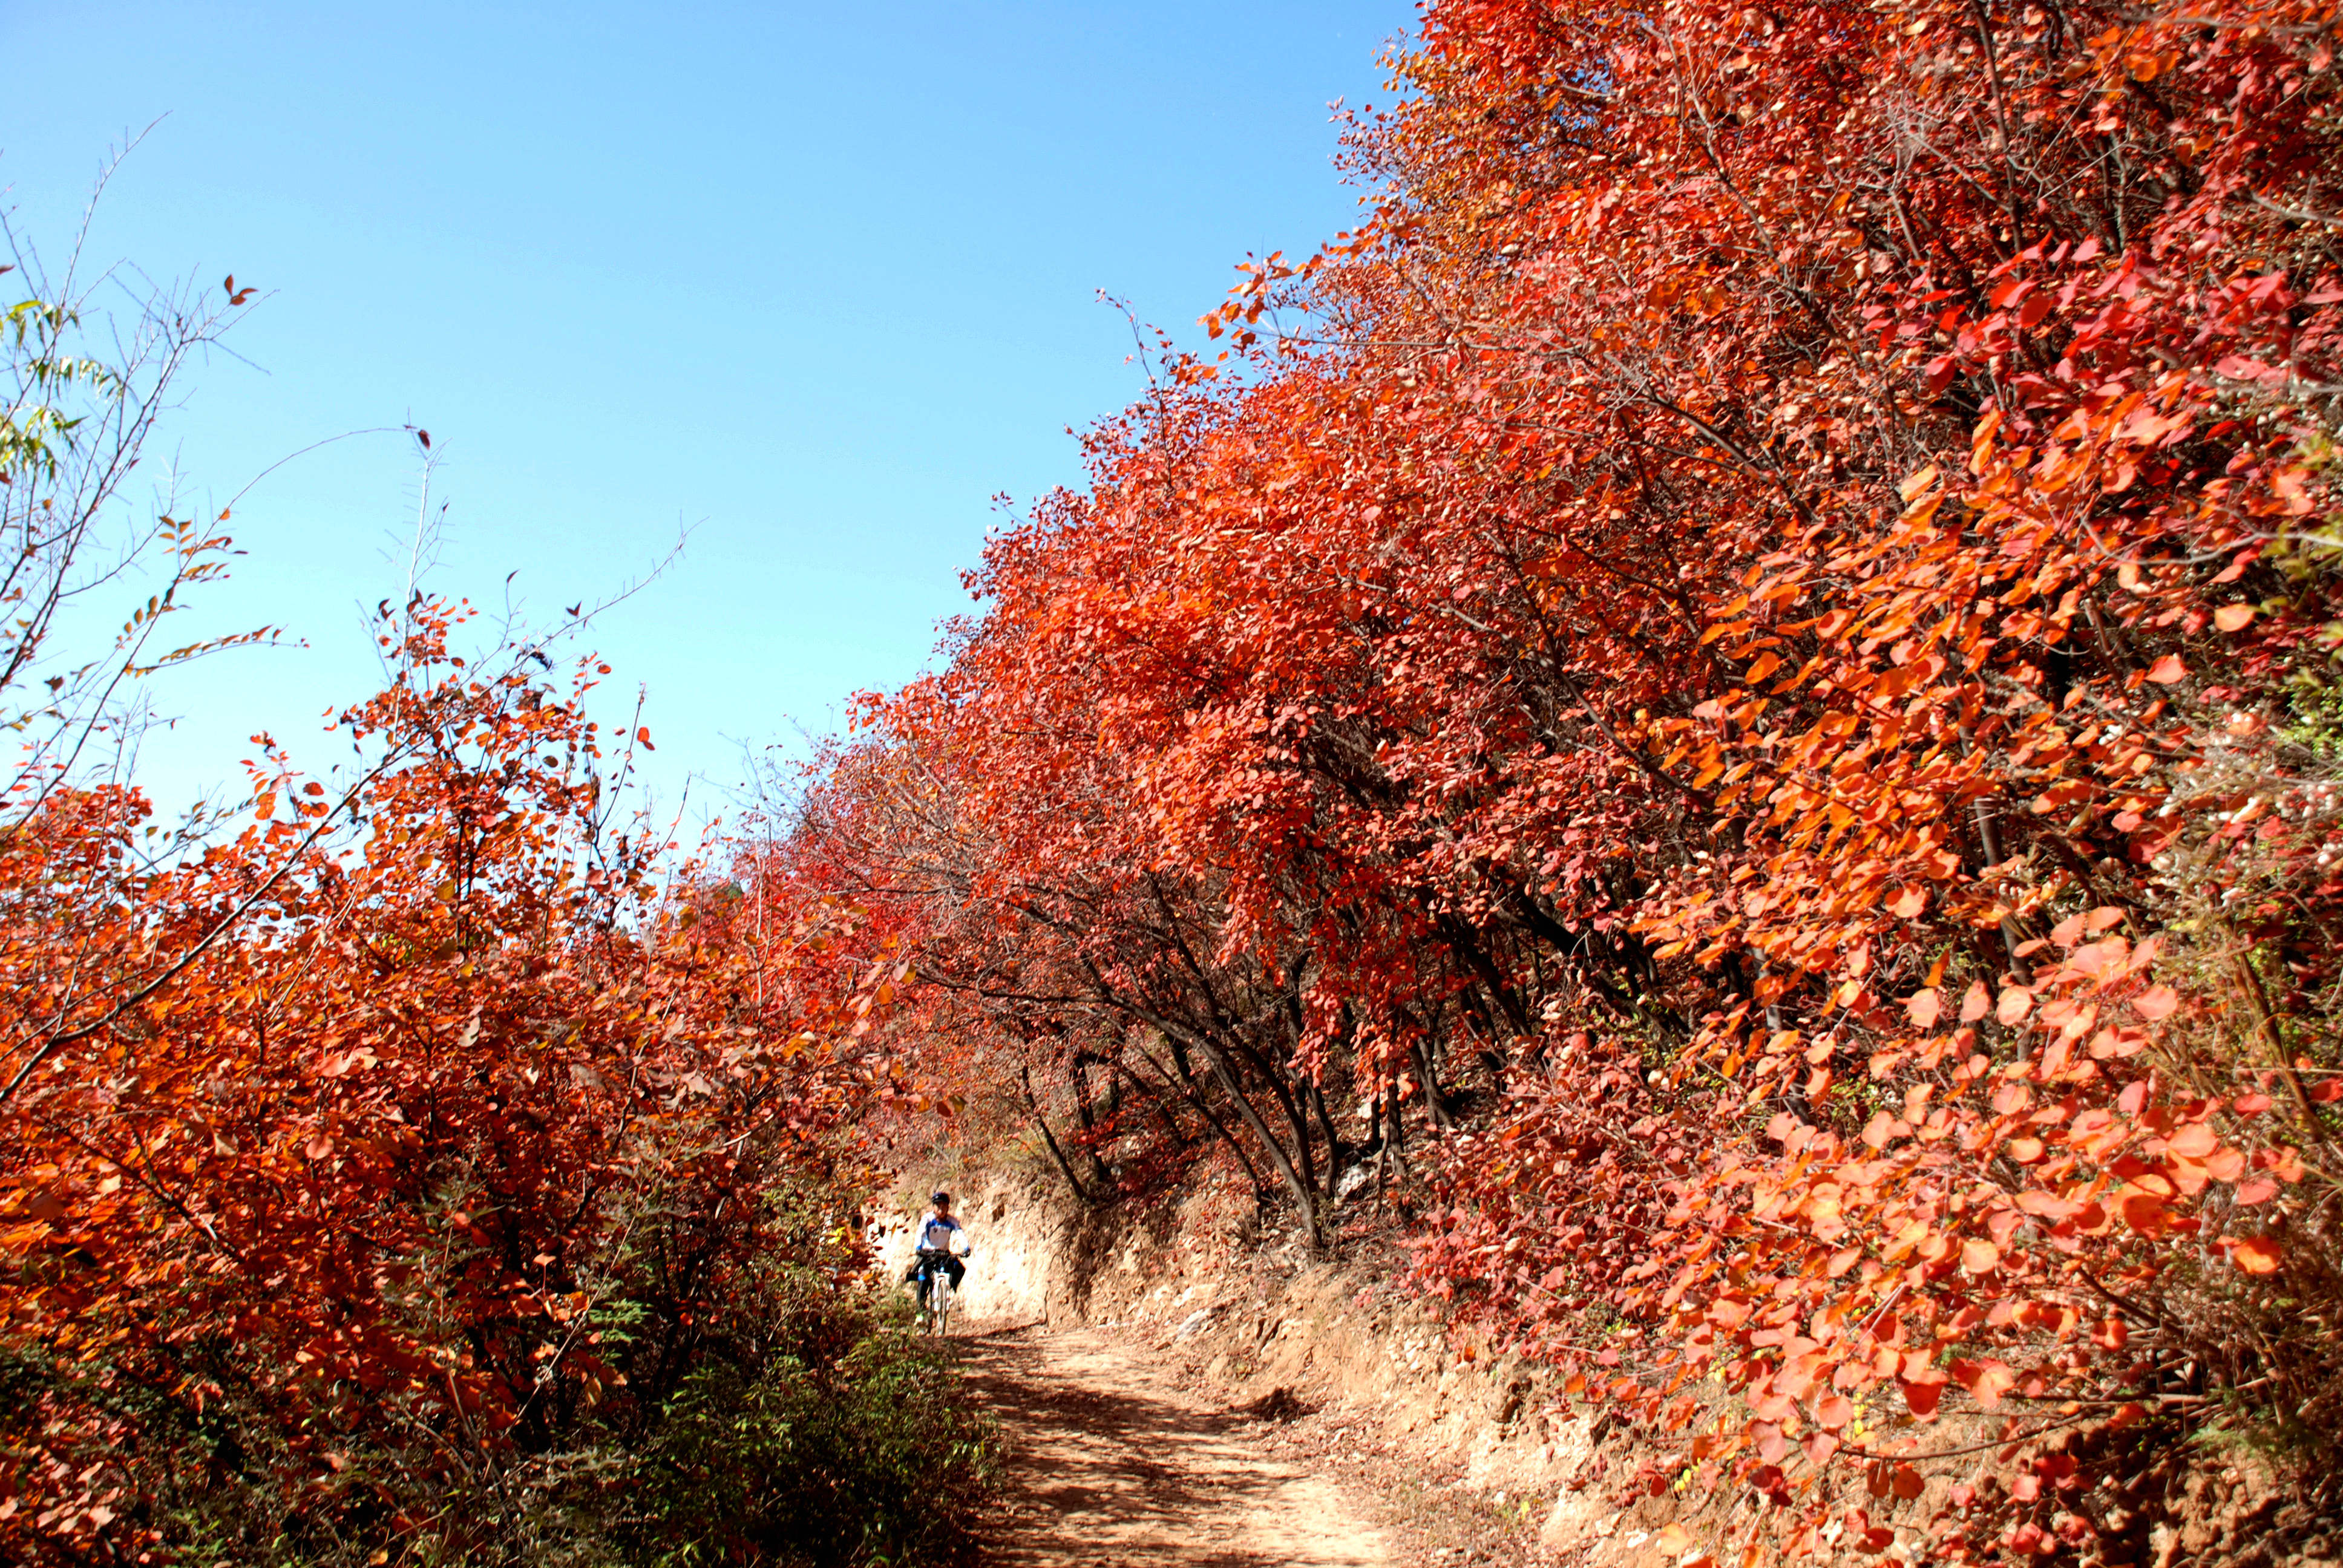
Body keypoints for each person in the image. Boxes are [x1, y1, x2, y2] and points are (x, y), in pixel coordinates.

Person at [904, 1190, 968, 1312]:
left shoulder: (952, 1221)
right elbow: (920, 1233)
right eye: (938, 1206)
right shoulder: (927, 1219)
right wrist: (918, 1247)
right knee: (922, 1279)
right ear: (933, 1207)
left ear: (948, 1207)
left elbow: (960, 1233)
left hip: (944, 1254)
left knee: (958, 1269)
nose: (941, 1209)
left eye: (944, 1206)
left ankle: (947, 1291)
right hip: (928, 1254)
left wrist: (966, 1248)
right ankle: (921, 1313)